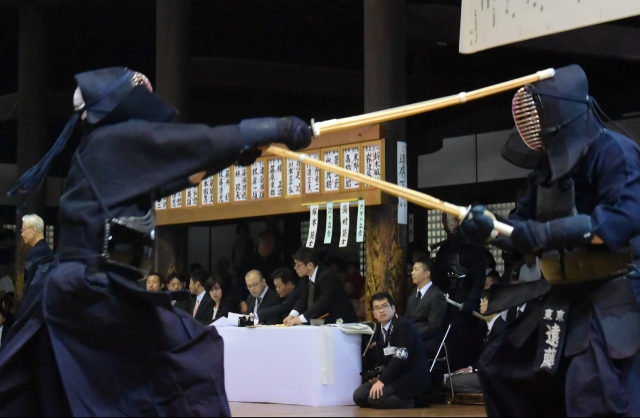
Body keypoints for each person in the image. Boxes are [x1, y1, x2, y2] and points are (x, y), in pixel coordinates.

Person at [0, 66, 311, 416]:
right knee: (193, 351)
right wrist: (276, 127)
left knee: (95, 388)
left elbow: (183, 175)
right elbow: (198, 144)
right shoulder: (113, 140)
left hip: (82, 290)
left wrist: (232, 154)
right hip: (89, 290)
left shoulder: (103, 148)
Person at [460, 64, 640, 416]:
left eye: (538, 113)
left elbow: (620, 222)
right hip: (565, 292)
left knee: (592, 388)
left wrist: (546, 234)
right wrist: (489, 229)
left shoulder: (615, 151)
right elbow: (519, 228)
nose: (533, 124)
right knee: (500, 368)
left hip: (617, 290)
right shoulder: (544, 169)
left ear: (562, 112)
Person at [353, 292, 431, 409]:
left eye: (385, 306)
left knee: (375, 398)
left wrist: (382, 381)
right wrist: (377, 376)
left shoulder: (404, 326)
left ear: (393, 308)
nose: (381, 310)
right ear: (373, 313)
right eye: (377, 308)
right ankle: (386, 399)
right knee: (358, 396)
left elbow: (399, 358)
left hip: (408, 377)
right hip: (392, 376)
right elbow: (381, 360)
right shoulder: (379, 330)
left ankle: (416, 401)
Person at [433, 213, 487, 371]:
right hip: (447, 303)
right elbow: (437, 278)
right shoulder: (443, 250)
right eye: (447, 220)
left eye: (454, 220)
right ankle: (450, 377)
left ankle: (470, 373)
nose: (450, 224)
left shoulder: (474, 247)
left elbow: (478, 279)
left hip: (466, 302)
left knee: (467, 340)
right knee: (449, 342)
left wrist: (471, 301)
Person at [445, 289, 506, 394]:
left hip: (493, 376)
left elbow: (495, 361)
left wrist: (473, 370)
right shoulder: (488, 326)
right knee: (449, 378)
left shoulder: (501, 328)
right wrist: (470, 368)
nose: (480, 304)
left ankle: (491, 392)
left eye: (484, 301)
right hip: (485, 372)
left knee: (450, 382)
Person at [284, 247, 357, 325]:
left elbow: (323, 302)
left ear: (310, 265)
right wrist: (291, 315)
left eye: (297, 265)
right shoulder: (306, 276)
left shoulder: (327, 276)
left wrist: (300, 319)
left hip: (341, 321)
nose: (295, 268)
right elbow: (303, 299)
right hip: (323, 321)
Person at [405, 257, 447, 354]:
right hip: (413, 338)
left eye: (416, 270)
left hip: (430, 340)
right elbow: (407, 319)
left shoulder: (437, 295)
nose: (412, 273)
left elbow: (433, 326)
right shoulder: (413, 293)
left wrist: (411, 335)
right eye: (412, 270)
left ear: (427, 273)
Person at [232, 230, 278, 313]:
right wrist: (241, 301)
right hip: (250, 299)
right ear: (259, 243)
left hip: (270, 299)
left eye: (272, 245)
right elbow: (237, 281)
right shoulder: (248, 260)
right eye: (268, 244)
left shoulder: (274, 261)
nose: (270, 247)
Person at [20, 214, 54, 290]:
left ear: (33, 230)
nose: (22, 234)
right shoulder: (43, 248)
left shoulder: (39, 251)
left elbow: (33, 281)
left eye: (23, 230)